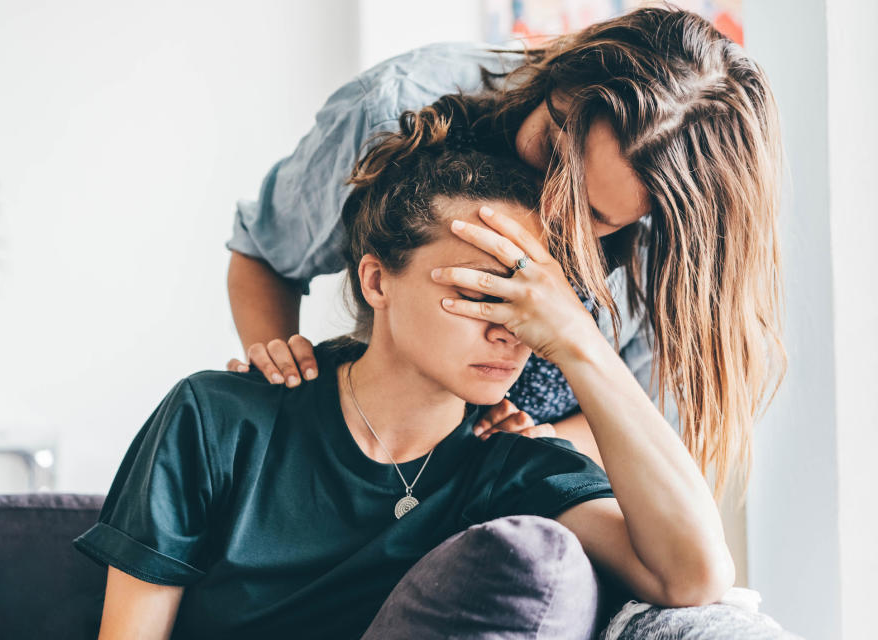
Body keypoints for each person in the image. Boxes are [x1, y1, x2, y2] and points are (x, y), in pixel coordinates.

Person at [74, 106, 734, 638]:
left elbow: (696, 579)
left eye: (534, 302)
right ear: (377, 280)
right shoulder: (217, 418)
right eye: (481, 289)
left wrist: (580, 345)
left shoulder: (510, 470)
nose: (510, 330)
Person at [225, 6, 785, 500]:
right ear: (552, 83)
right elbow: (265, 253)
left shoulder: (673, 239)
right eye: (548, 151)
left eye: (592, 216)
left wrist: (533, 447)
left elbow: (646, 421)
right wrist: (283, 378)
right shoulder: (392, 105)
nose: (547, 211)